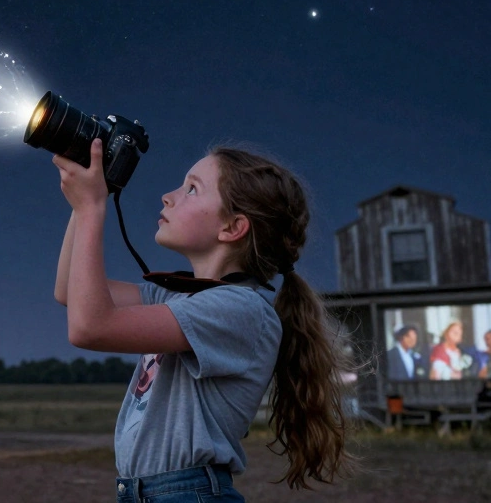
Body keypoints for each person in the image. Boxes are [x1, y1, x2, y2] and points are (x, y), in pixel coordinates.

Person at [53, 142, 351, 497]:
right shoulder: (179, 298)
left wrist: (91, 207)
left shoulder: (241, 309)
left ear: (232, 227)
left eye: (192, 189)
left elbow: (90, 327)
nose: (168, 197)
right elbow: (70, 292)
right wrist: (85, 202)